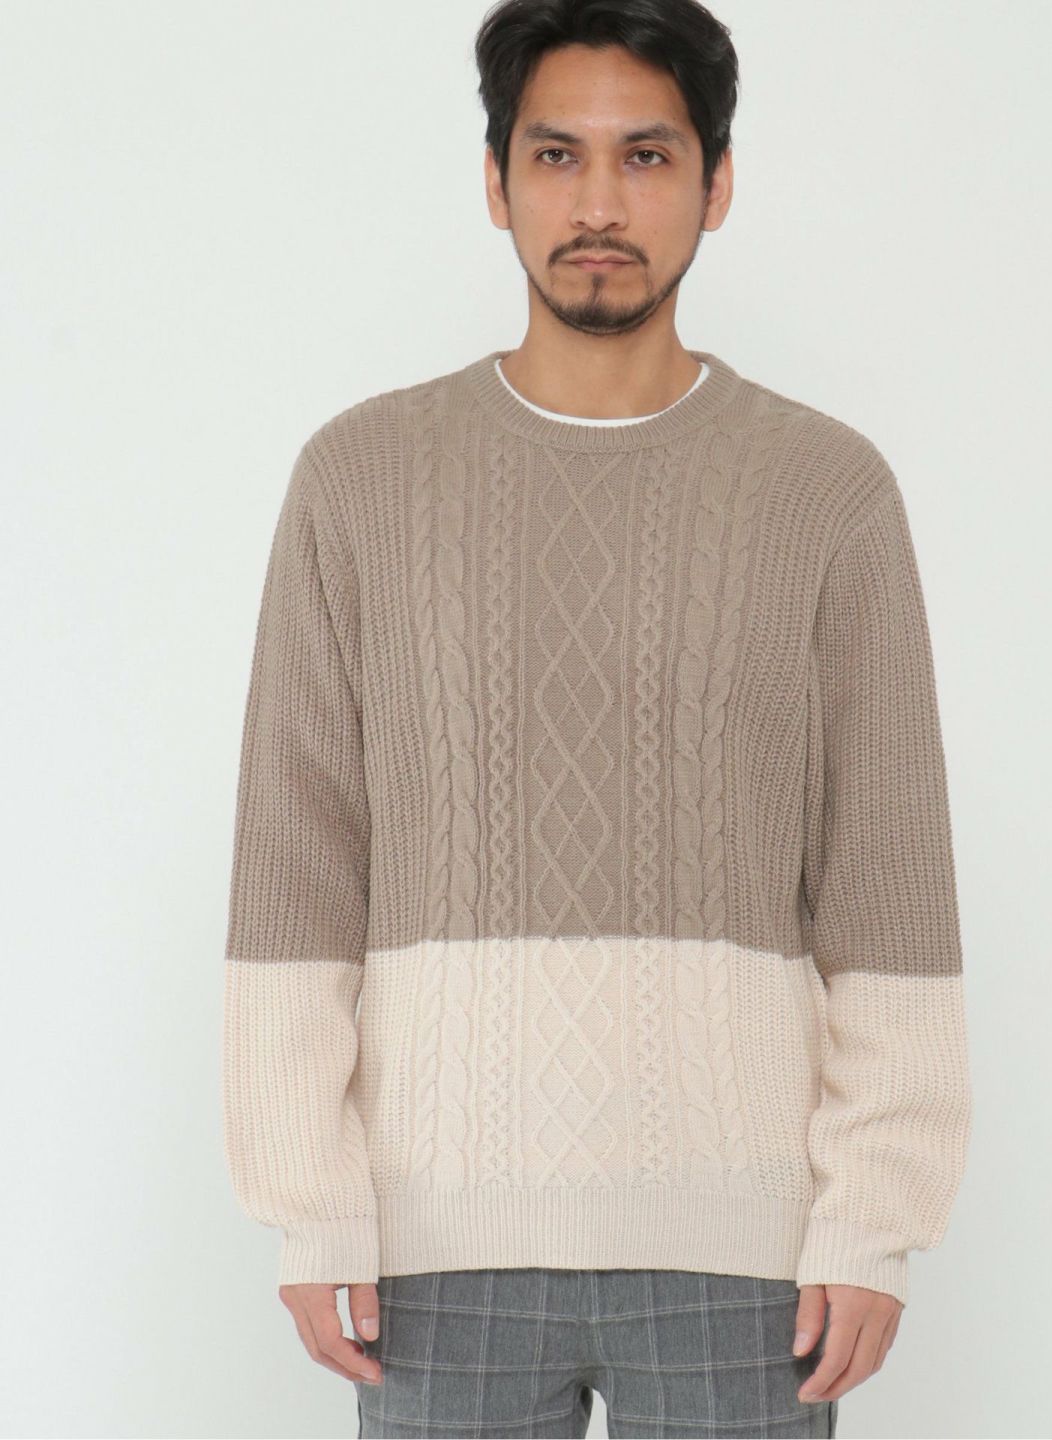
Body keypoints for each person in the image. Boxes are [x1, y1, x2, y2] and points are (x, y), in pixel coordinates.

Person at [220, 2, 973, 1435]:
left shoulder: (826, 491)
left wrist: (873, 1216)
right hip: (430, 1254)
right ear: (496, 182)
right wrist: (309, 1200)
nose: (600, 205)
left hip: (749, 1256)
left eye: (648, 155)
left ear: (718, 183)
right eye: (557, 155)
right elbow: (298, 859)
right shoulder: (361, 479)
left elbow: (884, 874)